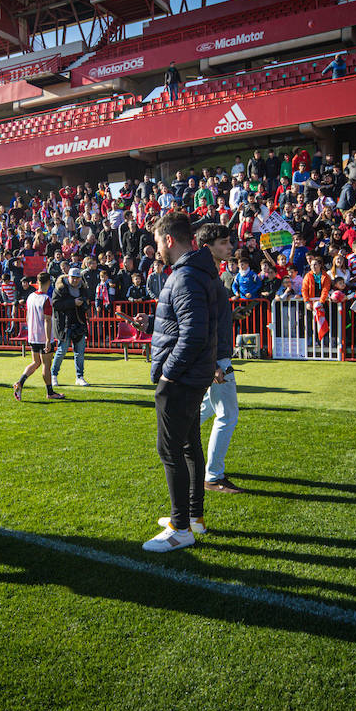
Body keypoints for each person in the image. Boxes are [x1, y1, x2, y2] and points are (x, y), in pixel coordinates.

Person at [143, 211, 221, 553]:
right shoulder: (194, 271)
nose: (156, 247)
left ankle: (180, 527)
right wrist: (151, 324)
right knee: (188, 445)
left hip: (182, 377)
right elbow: (182, 325)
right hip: (193, 374)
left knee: (170, 449)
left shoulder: (186, 275)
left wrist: (168, 372)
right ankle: (193, 518)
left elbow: (194, 333)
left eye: (158, 241)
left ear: (169, 240)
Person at [194, 224, 244, 495]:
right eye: (224, 243)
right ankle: (212, 476)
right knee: (228, 415)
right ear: (208, 246)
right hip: (216, 357)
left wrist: (232, 315)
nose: (230, 247)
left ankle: (176, 442)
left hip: (218, 354)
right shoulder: (204, 277)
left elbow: (213, 318)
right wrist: (213, 363)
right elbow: (200, 324)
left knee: (208, 409)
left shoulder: (214, 275)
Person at [14, 272, 65, 402]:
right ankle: (50, 392)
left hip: (33, 335)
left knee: (35, 362)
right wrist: (48, 340)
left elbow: (27, 317)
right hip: (43, 336)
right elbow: (47, 320)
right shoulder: (46, 299)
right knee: (45, 365)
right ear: (48, 282)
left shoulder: (30, 297)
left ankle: (20, 382)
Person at [50, 267, 90, 387]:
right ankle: (53, 375)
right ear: (68, 277)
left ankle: (80, 377)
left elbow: (88, 304)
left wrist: (84, 304)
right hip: (64, 325)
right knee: (61, 351)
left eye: (77, 278)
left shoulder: (83, 289)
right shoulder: (60, 288)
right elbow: (55, 304)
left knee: (80, 353)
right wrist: (73, 303)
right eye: (73, 277)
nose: (75, 280)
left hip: (79, 323)